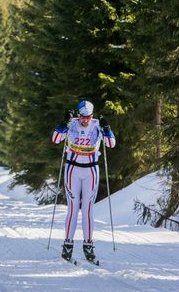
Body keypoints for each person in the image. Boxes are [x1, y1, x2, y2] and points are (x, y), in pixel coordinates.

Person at [51, 100, 116, 262]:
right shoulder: (72, 124)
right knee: (73, 208)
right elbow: (55, 139)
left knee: (87, 209)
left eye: (87, 116)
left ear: (91, 115)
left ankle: (88, 245)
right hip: (72, 169)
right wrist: (63, 122)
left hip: (91, 171)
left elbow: (111, 144)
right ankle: (68, 244)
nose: (84, 120)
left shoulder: (97, 125)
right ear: (78, 115)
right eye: (82, 116)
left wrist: (107, 128)